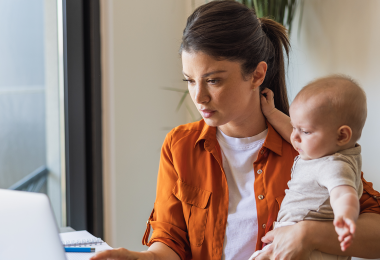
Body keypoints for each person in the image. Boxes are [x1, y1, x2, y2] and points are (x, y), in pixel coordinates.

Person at [90, 1, 380, 260]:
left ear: (257, 74)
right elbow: (171, 243)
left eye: (213, 80)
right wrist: (143, 259)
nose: (199, 96)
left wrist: (307, 235)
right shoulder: (180, 146)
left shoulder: (306, 145)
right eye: (189, 81)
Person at [249, 75, 366, 260]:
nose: (295, 137)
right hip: (292, 237)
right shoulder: (322, 149)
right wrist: (271, 113)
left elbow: (343, 193)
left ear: (342, 135)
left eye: (305, 131)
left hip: (313, 251)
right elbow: (293, 132)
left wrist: (345, 216)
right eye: (295, 127)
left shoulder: (334, 165)